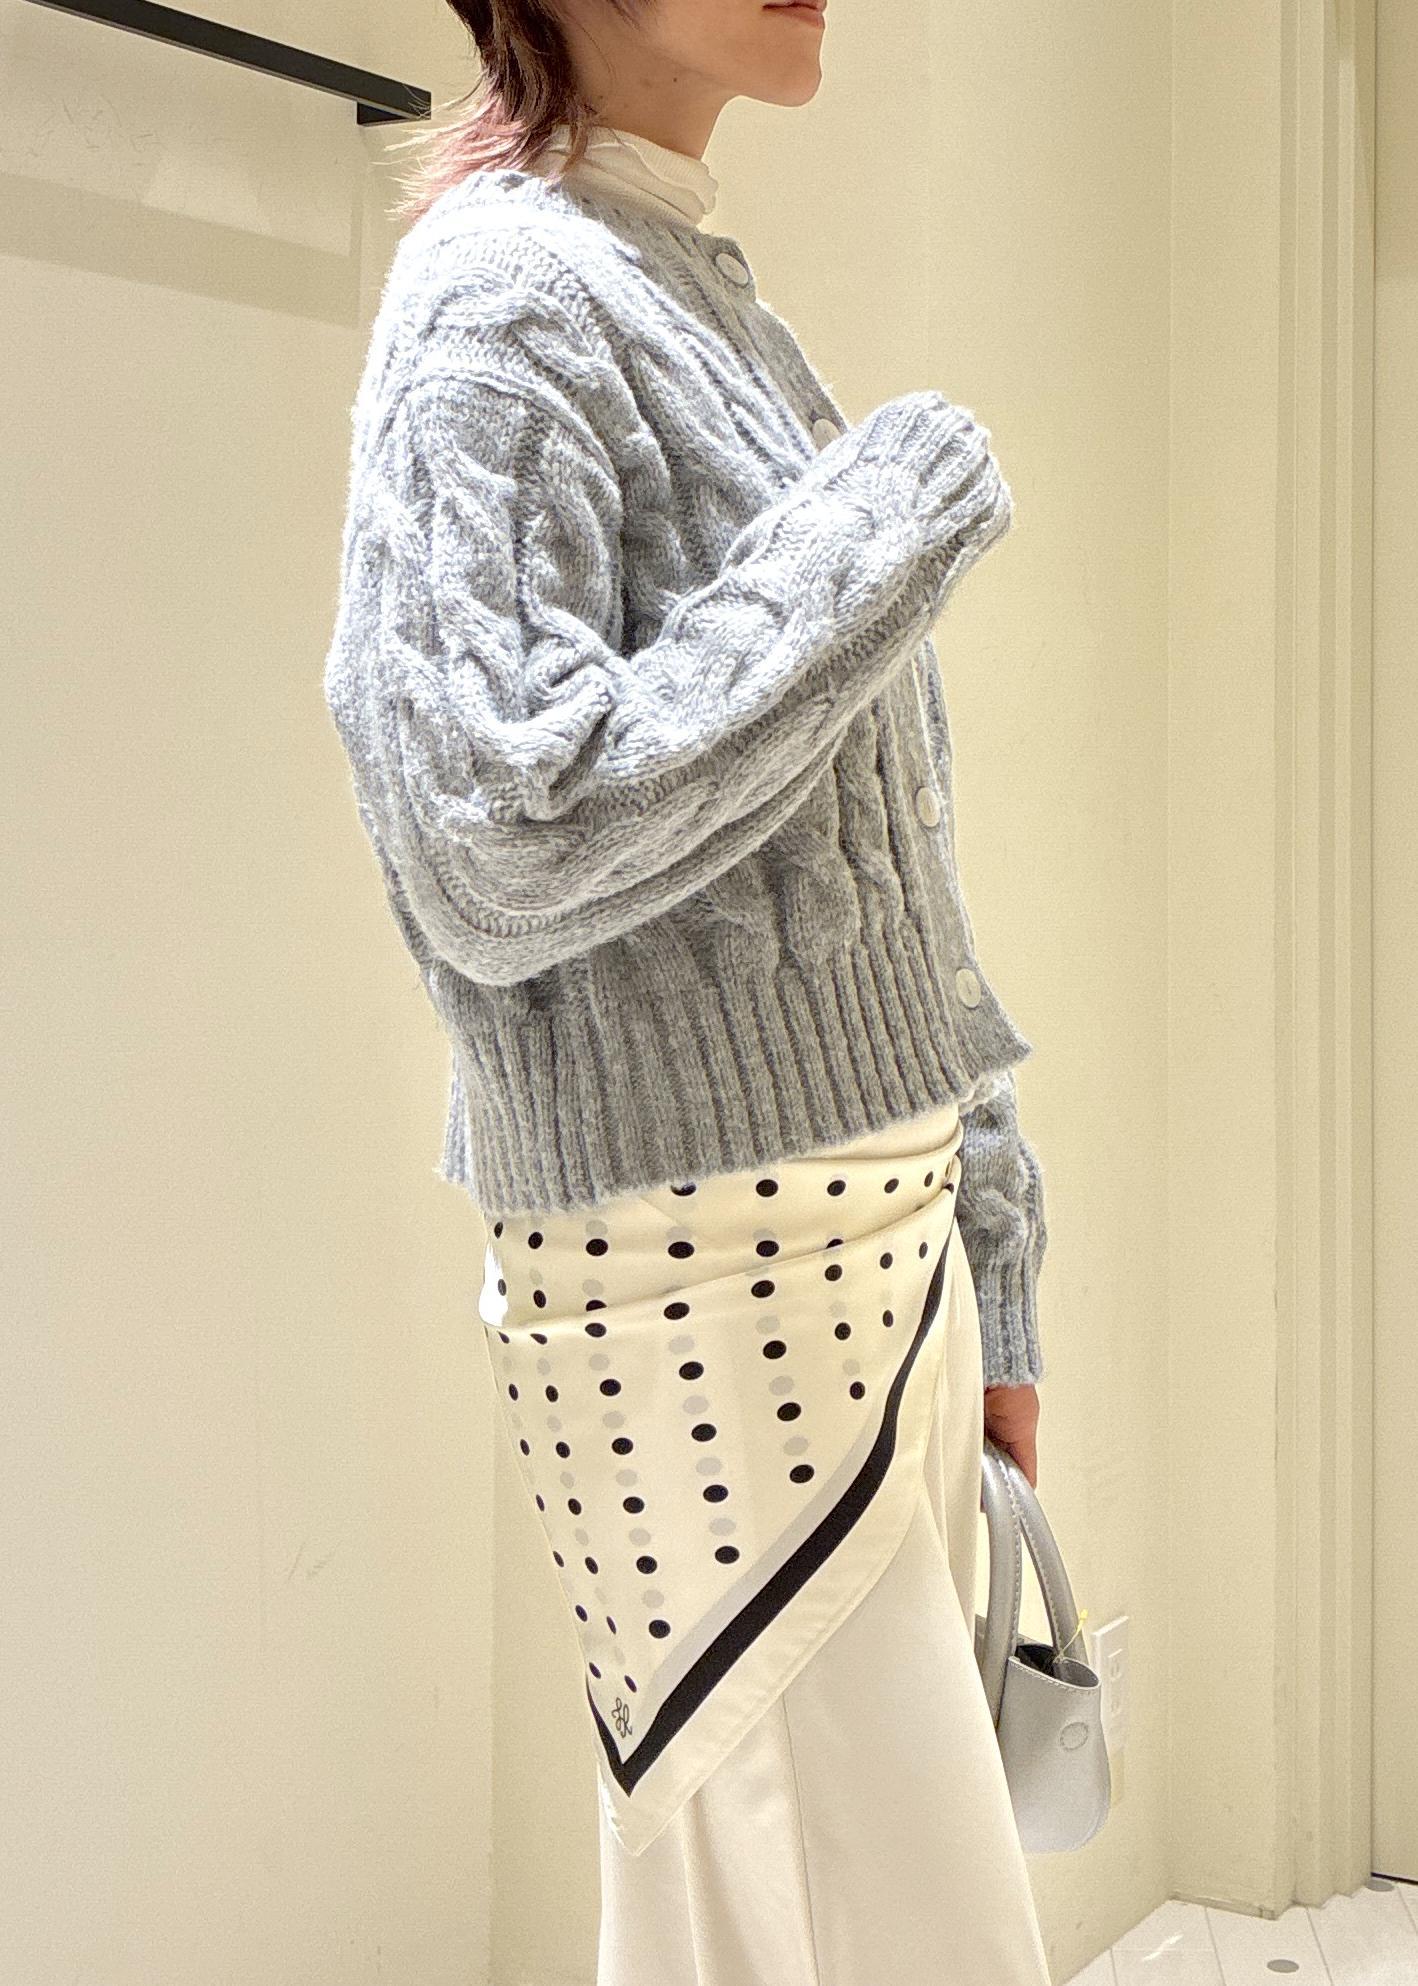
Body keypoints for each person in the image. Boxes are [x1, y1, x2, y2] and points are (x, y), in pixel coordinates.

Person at [322, 2, 1054, 1979]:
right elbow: (490, 827)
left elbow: (882, 858)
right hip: (703, 1284)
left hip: (862, 1256)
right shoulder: (502, 295)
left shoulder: (673, 281)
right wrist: (880, 527)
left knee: (855, 1913)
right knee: (800, 1913)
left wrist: (997, 1260)